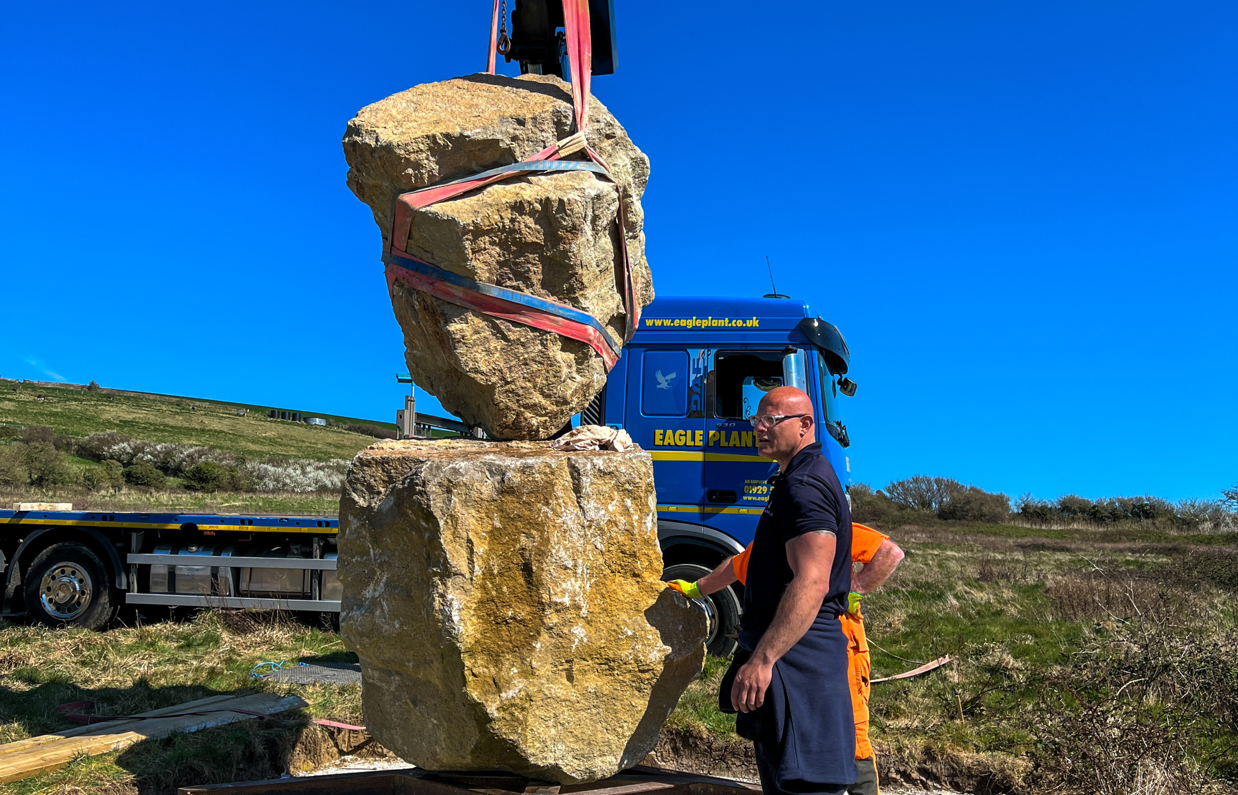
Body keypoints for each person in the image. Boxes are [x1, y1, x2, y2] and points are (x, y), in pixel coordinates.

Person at [672, 386, 856, 795]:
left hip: (799, 657)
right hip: (793, 650)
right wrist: (697, 586)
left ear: (805, 425)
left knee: (808, 786)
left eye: (772, 420)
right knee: (784, 779)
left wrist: (764, 659)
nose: (759, 427)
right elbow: (754, 559)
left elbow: (812, 580)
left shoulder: (804, 485)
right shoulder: (793, 478)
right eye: (757, 419)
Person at [672, 522, 904, 795]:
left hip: (838, 649)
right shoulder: (771, 540)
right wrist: (695, 589)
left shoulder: (825, 529)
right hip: (791, 654)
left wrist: (852, 590)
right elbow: (736, 566)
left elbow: (889, 552)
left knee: (849, 732)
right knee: (796, 730)